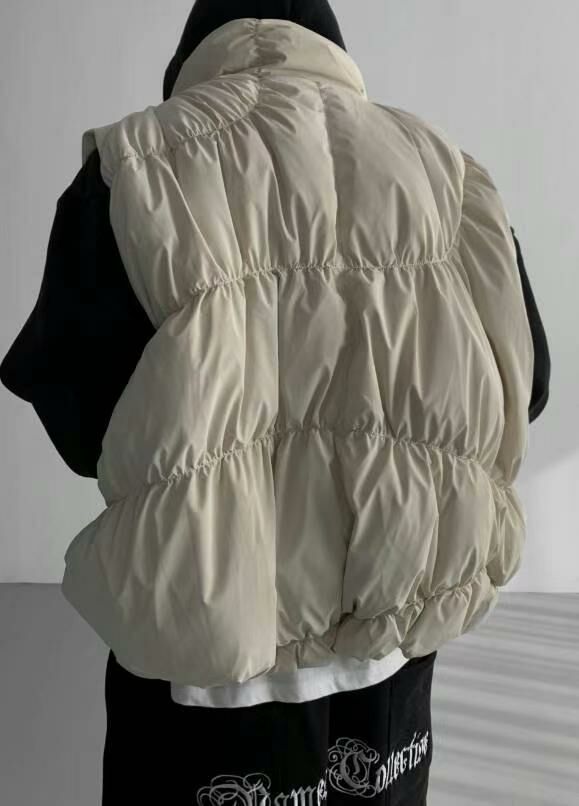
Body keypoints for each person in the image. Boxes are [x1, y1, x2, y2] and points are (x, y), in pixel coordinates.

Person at [0, 2, 550, 804]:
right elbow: (526, 388)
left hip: (211, 655)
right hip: (390, 639)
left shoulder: (134, 166)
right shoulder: (447, 172)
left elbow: (79, 423)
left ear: (192, 56)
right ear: (332, 49)